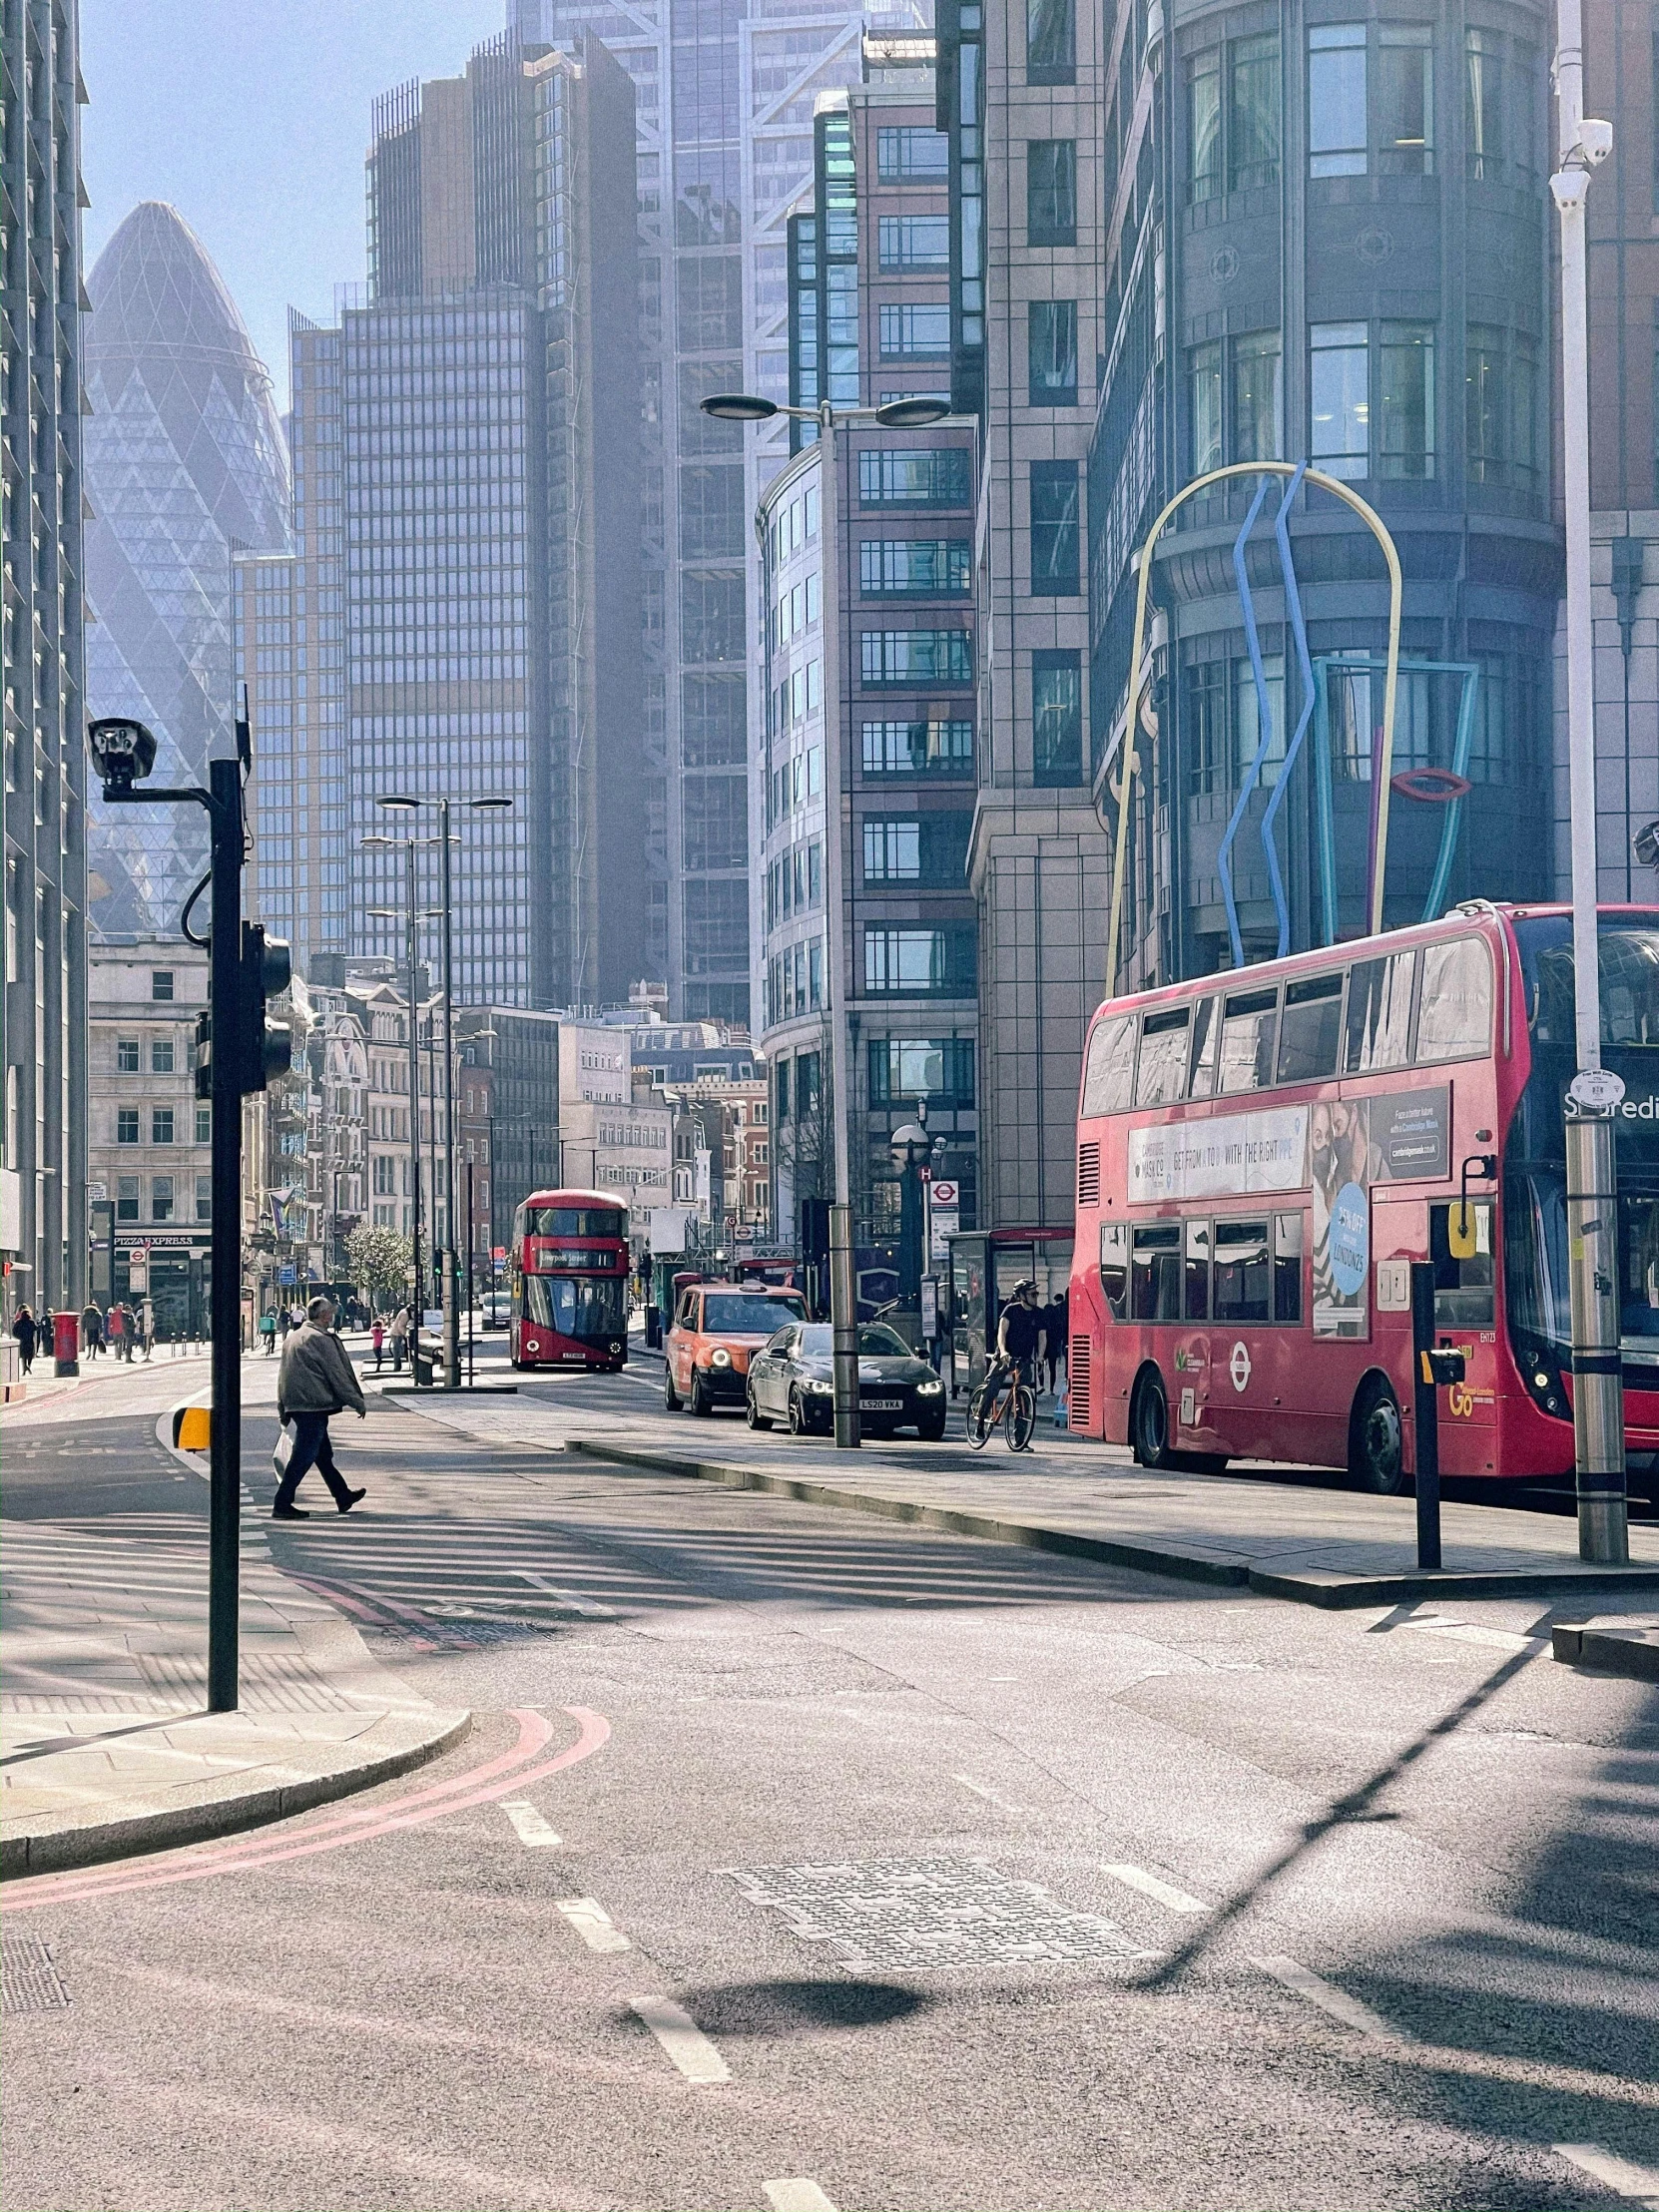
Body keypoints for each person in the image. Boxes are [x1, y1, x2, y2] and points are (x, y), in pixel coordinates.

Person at [274, 1296, 367, 1519]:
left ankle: (342, 1494)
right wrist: (357, 1401)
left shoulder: (293, 1337)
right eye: (330, 1312)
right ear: (325, 1315)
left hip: (297, 1403)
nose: (332, 1315)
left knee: (322, 1454)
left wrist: (282, 1408)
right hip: (313, 1404)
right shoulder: (321, 1339)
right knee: (304, 1455)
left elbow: (282, 1375)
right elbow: (337, 1374)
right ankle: (282, 1502)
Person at [994, 1280, 1045, 1394]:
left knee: (1024, 1387)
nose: (1036, 1297)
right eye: (1032, 1294)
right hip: (1005, 1356)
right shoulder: (1011, 1310)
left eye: (1036, 1294)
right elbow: (1002, 1332)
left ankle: (1022, 1411)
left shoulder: (1039, 1313)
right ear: (1021, 1296)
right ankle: (981, 1412)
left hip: (1024, 1357)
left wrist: (1040, 1356)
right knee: (992, 1386)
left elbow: (1042, 1336)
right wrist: (1002, 1351)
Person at [1043, 1289, 1067, 1395]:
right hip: (1053, 1346)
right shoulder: (1056, 1319)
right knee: (1053, 1368)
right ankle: (1051, 1389)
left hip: (1043, 1346)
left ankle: (1042, 1385)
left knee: (1041, 1367)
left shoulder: (1043, 1321)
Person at [12, 1304, 38, 1377]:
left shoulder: (19, 1322)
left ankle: (24, 1368)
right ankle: (28, 1366)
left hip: (23, 1341)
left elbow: (14, 1331)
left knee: (24, 1356)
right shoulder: (31, 1321)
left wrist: (19, 1337)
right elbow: (36, 1328)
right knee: (30, 1355)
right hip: (30, 1341)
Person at [388, 1305, 409, 1373]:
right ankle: (397, 1367)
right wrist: (405, 1334)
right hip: (397, 1333)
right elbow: (401, 1326)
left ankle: (397, 1367)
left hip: (396, 1332)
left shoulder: (404, 1311)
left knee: (397, 1350)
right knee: (397, 1351)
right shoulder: (405, 1314)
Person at [139, 1297, 156, 1362]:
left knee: (148, 1339)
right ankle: (144, 1350)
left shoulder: (150, 1313)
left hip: (148, 1328)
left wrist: (151, 1328)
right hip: (142, 1328)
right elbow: (138, 1321)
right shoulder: (140, 1312)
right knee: (143, 1339)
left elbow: (153, 1321)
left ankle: (147, 1350)